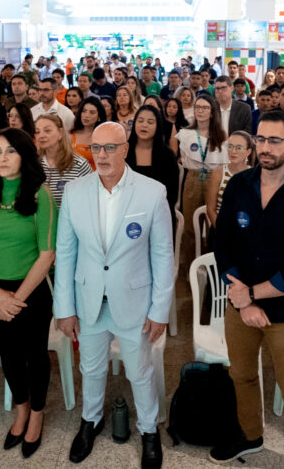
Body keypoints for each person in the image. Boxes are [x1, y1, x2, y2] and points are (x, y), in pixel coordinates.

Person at [209, 110, 284, 468]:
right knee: (242, 376)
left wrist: (254, 295)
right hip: (240, 307)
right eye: (260, 139)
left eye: (274, 140)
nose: (265, 147)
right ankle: (250, 436)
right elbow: (223, 245)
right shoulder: (239, 185)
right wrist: (243, 301)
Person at [53, 122, 173, 469]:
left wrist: (160, 310)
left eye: (109, 148)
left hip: (134, 301)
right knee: (90, 368)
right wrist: (64, 307)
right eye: (95, 148)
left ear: (125, 149)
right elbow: (65, 252)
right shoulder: (75, 192)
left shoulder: (152, 192)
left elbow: (163, 255)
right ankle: (90, 421)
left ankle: (149, 430)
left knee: (140, 371)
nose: (101, 155)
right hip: (88, 299)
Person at [0, 127, 57, 458]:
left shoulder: (39, 194)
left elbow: (47, 253)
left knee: (34, 355)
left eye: (11, 151)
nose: (3, 158)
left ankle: (37, 413)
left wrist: (15, 298)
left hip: (31, 291)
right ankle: (21, 406)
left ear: (25, 156)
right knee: (9, 355)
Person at [176, 93, 228, 251]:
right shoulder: (186, 134)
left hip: (214, 179)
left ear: (212, 112)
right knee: (190, 226)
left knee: (213, 225)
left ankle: (209, 269)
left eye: (205, 107)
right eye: (197, 107)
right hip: (192, 178)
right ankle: (186, 272)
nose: (200, 111)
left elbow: (224, 162)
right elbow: (184, 159)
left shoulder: (221, 135)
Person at [126, 105, 179, 221]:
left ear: (157, 126)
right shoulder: (124, 152)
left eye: (150, 122)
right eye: (140, 121)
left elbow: (172, 194)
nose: (144, 125)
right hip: (128, 213)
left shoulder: (167, 155)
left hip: (159, 214)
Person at [36, 113, 92, 209]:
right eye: (37, 132)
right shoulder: (34, 164)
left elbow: (91, 200)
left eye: (47, 131)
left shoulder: (79, 165)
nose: (41, 135)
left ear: (60, 133)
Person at [205, 130, 254, 227]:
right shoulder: (218, 173)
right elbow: (210, 209)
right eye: (230, 146)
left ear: (248, 152)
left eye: (239, 147)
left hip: (245, 229)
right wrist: (222, 232)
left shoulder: (254, 175)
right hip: (220, 226)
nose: (233, 151)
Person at [71, 95, 105, 170]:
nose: (86, 115)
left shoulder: (103, 138)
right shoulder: (69, 135)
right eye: (84, 111)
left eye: (92, 112)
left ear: (99, 117)